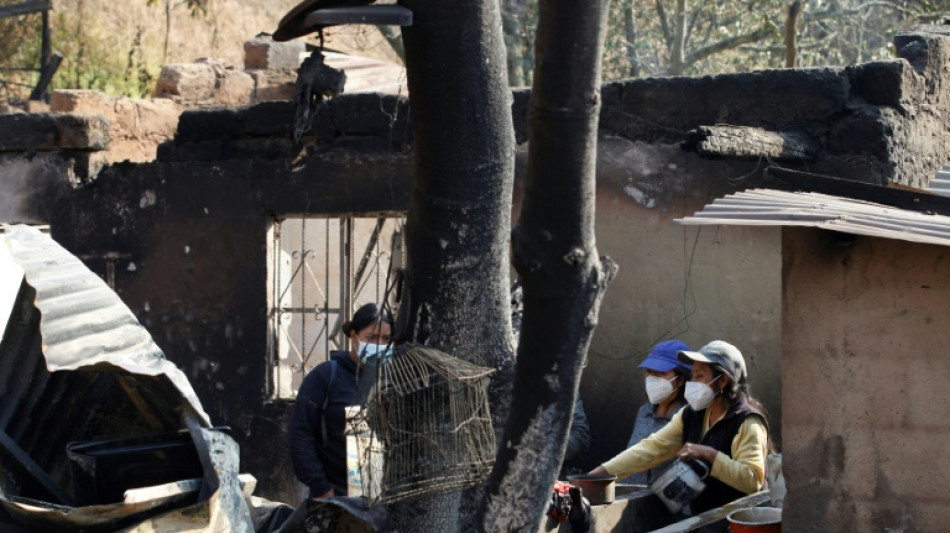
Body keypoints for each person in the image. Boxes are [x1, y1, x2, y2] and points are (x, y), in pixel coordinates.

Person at [590, 340, 769, 514]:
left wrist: (710, 455)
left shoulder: (747, 421)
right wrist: (597, 476)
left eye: (700, 376)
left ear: (722, 380)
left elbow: (752, 480)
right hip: (704, 520)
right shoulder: (691, 415)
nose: (693, 382)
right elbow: (650, 449)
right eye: (693, 376)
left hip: (740, 522)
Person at [288, 303, 393, 500]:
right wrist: (321, 488)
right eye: (371, 337)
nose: (379, 345)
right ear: (353, 336)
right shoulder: (325, 376)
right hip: (333, 495)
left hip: (376, 497)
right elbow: (300, 435)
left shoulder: (390, 381)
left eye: (385, 339)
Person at [619, 340, 692, 486]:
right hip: (630, 500)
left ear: (681, 380)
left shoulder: (689, 417)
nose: (652, 378)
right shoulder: (644, 411)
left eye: (661, 373)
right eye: (649, 372)